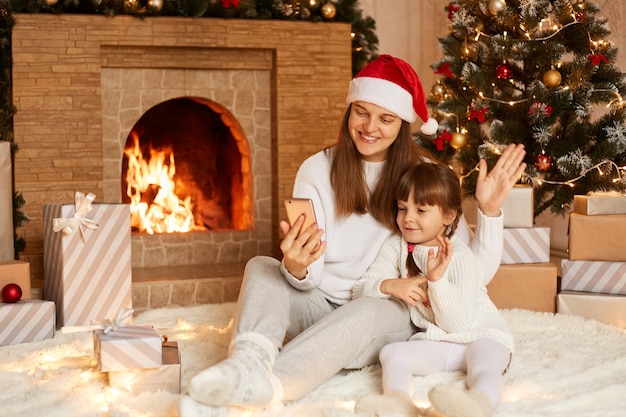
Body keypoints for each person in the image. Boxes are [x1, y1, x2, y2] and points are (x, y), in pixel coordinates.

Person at [178, 54, 526, 416]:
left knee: (364, 311)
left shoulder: (425, 177)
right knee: (263, 266)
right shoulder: (315, 170)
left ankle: (271, 384)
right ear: (349, 111)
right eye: (361, 111)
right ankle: (246, 365)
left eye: (386, 118)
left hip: (387, 312)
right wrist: (297, 265)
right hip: (319, 305)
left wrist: (488, 212)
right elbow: (306, 278)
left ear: (403, 123)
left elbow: (470, 273)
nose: (370, 127)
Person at [352, 162, 515, 417]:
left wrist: (437, 282)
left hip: (484, 336)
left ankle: (477, 405)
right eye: (403, 208)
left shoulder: (459, 256)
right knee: (392, 353)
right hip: (440, 341)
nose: (408, 218)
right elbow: (360, 291)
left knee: (483, 368)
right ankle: (399, 403)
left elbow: (459, 325)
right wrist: (389, 285)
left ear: (449, 216)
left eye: (421, 210)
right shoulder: (397, 246)